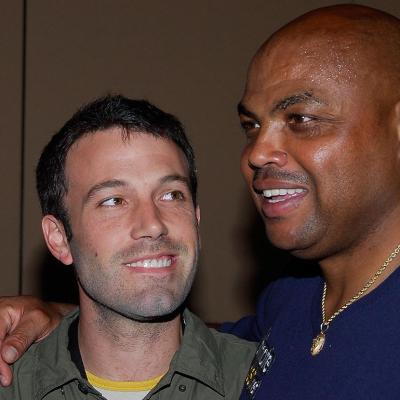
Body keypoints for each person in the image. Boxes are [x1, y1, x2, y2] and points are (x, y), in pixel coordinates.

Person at [2, 3, 400, 399]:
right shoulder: (291, 303)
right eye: (252, 126)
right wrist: (58, 316)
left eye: (301, 119)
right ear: (58, 238)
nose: (257, 152)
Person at [0, 95, 255, 399]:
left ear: (196, 221)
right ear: (58, 239)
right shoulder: (13, 388)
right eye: (114, 201)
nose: (153, 224)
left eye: (172, 195)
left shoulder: (265, 382)